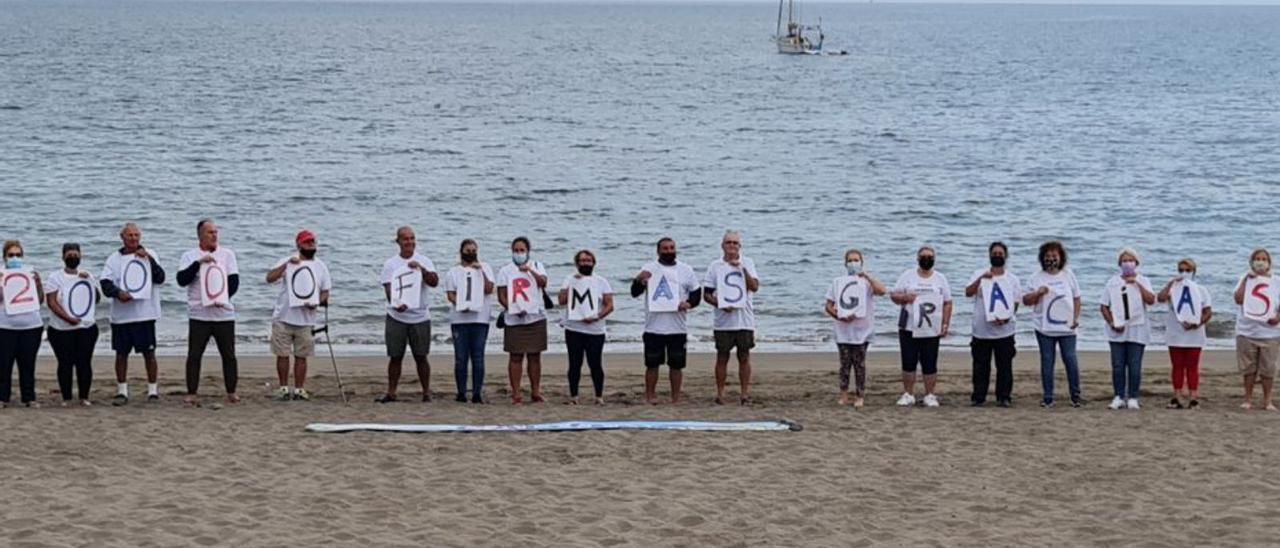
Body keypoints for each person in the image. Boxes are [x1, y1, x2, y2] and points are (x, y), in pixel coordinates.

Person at [177, 219, 241, 406]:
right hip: (199, 314)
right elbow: (182, 280)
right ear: (200, 235)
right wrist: (199, 263)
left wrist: (223, 298)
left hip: (223, 314)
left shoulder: (227, 254)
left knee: (228, 355)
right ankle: (192, 392)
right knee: (195, 354)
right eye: (209, 232)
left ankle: (231, 391)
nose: (214, 235)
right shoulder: (190, 255)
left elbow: (234, 281)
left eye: (215, 232)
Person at [100, 222, 166, 405]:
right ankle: (122, 391)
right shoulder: (114, 258)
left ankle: (152, 391)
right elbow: (105, 284)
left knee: (149, 354)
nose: (134, 239)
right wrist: (118, 293)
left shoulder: (150, 254)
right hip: (122, 316)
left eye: (136, 235)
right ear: (122, 237)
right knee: (121, 355)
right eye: (130, 235)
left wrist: (149, 260)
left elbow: (160, 278)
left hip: (145, 314)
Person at [631, 237, 701, 404]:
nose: (669, 251)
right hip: (654, 327)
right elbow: (634, 292)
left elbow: (697, 293)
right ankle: (650, 396)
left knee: (676, 366)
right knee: (652, 365)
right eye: (665, 248)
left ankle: (675, 398)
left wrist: (689, 303)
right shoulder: (649, 269)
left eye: (671, 248)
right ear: (658, 251)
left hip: (677, 327)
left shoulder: (686, 270)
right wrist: (639, 280)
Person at [265, 230, 331, 401]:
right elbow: (270, 278)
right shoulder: (289, 260)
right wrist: (287, 264)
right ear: (299, 245)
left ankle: (300, 388)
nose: (311, 245)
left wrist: (316, 302)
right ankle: (283, 388)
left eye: (313, 242)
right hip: (284, 316)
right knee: (282, 354)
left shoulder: (321, 266)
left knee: (302, 356)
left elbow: (325, 292)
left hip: (306, 319)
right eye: (307, 242)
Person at [377, 226, 439, 403]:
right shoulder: (391, 264)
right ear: (398, 241)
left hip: (420, 316)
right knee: (395, 357)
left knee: (421, 356)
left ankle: (426, 392)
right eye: (405, 239)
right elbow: (389, 290)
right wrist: (396, 304)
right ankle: (391, 392)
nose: (409, 242)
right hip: (397, 317)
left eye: (412, 238)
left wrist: (422, 270)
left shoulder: (424, 260)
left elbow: (434, 282)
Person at [702, 230, 761, 405]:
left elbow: (754, 287)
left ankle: (744, 394)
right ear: (722, 246)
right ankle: (720, 394)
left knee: (744, 357)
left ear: (740, 246)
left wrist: (742, 270)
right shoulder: (715, 266)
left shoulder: (748, 263)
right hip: (723, 322)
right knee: (722, 357)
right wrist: (719, 303)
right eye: (729, 243)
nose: (732, 246)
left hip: (744, 320)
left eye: (735, 243)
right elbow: (707, 294)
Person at [889, 245, 953, 408]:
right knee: (908, 361)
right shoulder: (907, 276)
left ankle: (930, 395)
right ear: (918, 259)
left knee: (930, 362)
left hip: (931, 328)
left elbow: (947, 302)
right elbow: (894, 296)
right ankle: (908, 393)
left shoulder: (940, 278)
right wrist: (905, 297)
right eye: (923, 257)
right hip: (909, 326)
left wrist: (945, 323)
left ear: (934, 260)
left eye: (930, 257)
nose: (927, 260)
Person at [1023, 241, 1084, 408]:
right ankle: (1048, 396)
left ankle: (1075, 395)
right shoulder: (1036, 277)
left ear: (1061, 257)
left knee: (1070, 359)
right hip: (1044, 328)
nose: (1051, 259)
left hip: (1067, 328)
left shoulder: (1068, 275)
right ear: (1042, 258)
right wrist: (1038, 293)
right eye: (1048, 256)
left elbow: (1077, 298)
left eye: (1054, 256)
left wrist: (1075, 317)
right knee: (1047, 361)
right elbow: (1026, 300)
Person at [824, 248, 887, 408]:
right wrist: (839, 316)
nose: (853, 263)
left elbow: (882, 291)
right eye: (850, 260)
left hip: (862, 331)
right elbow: (828, 305)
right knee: (844, 364)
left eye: (856, 260)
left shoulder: (866, 283)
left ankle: (860, 395)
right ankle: (844, 394)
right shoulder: (837, 282)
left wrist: (867, 276)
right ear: (845, 263)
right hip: (843, 331)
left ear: (861, 262)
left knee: (859, 364)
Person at [963, 242, 1021, 407]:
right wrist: (981, 280)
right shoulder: (979, 274)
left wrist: (1007, 317)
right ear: (989, 255)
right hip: (981, 330)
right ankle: (978, 396)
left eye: (1000, 253)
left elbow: (1015, 303)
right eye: (994, 253)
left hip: (1005, 330)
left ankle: (1004, 397)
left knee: (1004, 366)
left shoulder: (1012, 279)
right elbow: (968, 293)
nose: (997, 255)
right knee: (980, 366)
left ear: (1006, 256)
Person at [45, 243, 101, 406]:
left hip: (86, 328)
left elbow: (95, 299)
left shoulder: (87, 274)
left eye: (76, 255)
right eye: (69, 255)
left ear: (81, 256)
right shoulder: (55, 277)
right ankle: (66, 397)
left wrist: (89, 281)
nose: (73, 258)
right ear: (63, 257)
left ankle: (84, 396)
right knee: (65, 363)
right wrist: (68, 318)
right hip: (61, 329)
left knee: (84, 362)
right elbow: (52, 302)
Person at [1100, 248, 1156, 410]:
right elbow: (1104, 306)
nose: (1127, 263)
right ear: (1119, 264)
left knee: (1134, 364)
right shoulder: (1112, 282)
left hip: (1138, 329)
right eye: (1124, 261)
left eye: (1130, 260)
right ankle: (1118, 396)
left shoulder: (1143, 280)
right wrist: (1112, 323)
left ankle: (1133, 396)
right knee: (1118, 364)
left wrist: (1137, 284)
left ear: (1136, 263)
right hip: (1117, 330)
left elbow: (1152, 300)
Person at [496, 236, 549, 404]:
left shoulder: (537, 266)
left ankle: (535, 391)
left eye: (521, 250)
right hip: (514, 319)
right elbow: (501, 295)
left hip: (535, 318)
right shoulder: (505, 270)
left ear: (528, 251)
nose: (518, 253)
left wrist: (530, 271)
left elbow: (543, 283)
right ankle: (516, 393)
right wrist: (513, 308)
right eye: (515, 250)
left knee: (535, 356)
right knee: (515, 356)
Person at [558, 249, 614, 405]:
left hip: (595, 330)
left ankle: (599, 396)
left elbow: (610, 305)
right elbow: (561, 300)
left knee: (595, 363)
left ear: (593, 263)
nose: (585, 263)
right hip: (574, 329)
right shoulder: (569, 279)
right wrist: (572, 285)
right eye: (582, 261)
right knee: (574, 364)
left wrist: (597, 316)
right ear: (577, 263)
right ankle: (574, 396)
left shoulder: (601, 281)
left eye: (588, 260)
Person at [1157, 258, 1212, 409]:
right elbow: (1160, 298)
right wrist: (1170, 284)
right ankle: (1177, 396)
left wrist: (1198, 323)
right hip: (1176, 332)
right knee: (1177, 366)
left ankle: (1193, 397)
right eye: (1181, 270)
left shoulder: (1201, 290)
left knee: (1192, 366)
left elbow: (1208, 311)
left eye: (1187, 270)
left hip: (1194, 334)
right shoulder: (1173, 289)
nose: (1184, 273)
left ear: (1193, 272)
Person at [444, 239, 493, 403]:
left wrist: (482, 272)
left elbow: (489, 289)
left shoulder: (485, 267)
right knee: (460, 357)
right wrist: (460, 304)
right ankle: (461, 392)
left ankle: (477, 392)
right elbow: (450, 294)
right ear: (461, 251)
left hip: (480, 319)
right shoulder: (453, 271)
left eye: (473, 250)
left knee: (478, 357)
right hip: (459, 320)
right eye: (468, 250)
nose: (471, 253)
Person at [1232, 248, 1280, 411]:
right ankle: (1247, 399)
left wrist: (1277, 318)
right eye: (1257, 258)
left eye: (1263, 259)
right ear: (1252, 262)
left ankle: (1267, 401)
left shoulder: (1276, 281)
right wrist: (1246, 280)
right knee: (1249, 368)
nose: (1260, 261)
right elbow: (1238, 299)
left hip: (1270, 332)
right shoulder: (1244, 278)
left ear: (1269, 263)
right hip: (1247, 331)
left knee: (1268, 369)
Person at [0, 240, 45, 408]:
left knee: (28, 364)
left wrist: (38, 284)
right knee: (4, 364)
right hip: (5, 326)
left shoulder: (30, 273)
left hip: (31, 326)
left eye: (18, 255)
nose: (15, 258)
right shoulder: (1, 274)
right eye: (11, 255)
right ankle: (3, 397)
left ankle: (29, 397)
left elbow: (39, 301)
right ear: (4, 257)